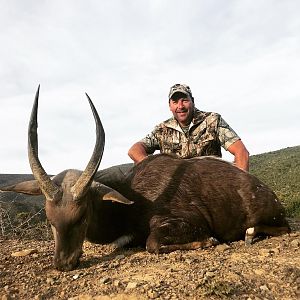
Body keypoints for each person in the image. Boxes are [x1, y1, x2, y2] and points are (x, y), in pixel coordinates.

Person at [128, 83, 249, 171]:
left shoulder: (212, 120)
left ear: (193, 101)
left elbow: (241, 152)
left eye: (184, 100)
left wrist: (239, 186)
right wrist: (153, 169)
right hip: (177, 192)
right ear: (169, 106)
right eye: (175, 102)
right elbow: (134, 150)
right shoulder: (161, 130)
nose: (180, 106)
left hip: (211, 186)